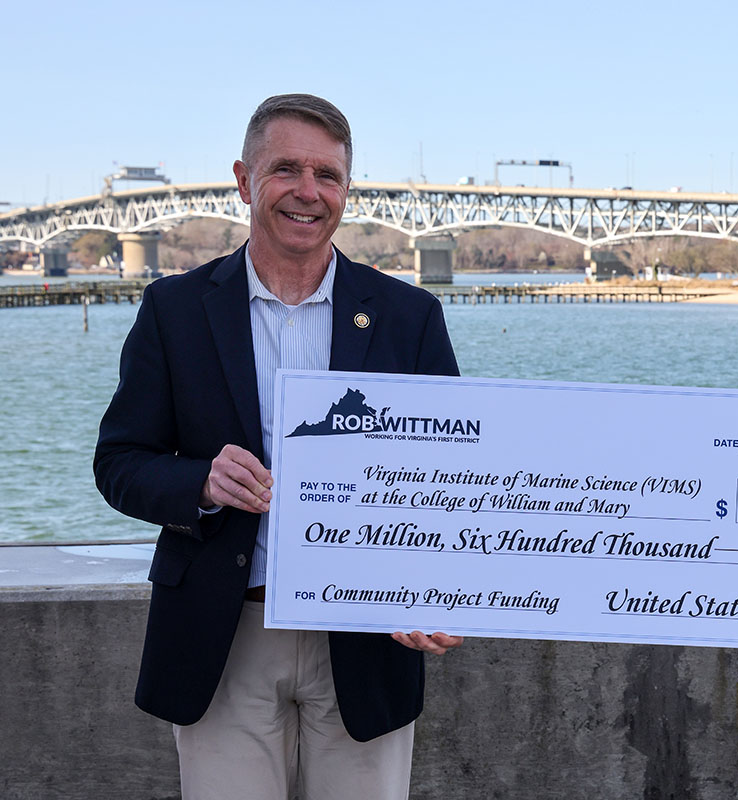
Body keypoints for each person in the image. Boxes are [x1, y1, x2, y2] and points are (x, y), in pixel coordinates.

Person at [95, 94, 461, 799]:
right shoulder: (173, 311)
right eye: (285, 168)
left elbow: (447, 479)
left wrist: (439, 589)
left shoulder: (411, 317)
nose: (308, 191)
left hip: (366, 635)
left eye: (327, 174)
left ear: (347, 191)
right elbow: (119, 463)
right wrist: (200, 483)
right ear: (243, 179)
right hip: (222, 635)